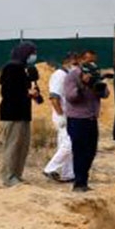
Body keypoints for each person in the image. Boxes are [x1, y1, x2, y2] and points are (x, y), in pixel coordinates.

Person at [63, 48, 108, 193]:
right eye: (88, 60)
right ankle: (79, 183)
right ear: (81, 60)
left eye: (94, 61)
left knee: (91, 151)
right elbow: (71, 97)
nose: (91, 63)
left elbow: (105, 94)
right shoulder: (72, 76)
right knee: (79, 151)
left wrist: (99, 85)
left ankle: (83, 180)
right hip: (77, 119)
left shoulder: (96, 74)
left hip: (91, 118)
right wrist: (83, 84)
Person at [0, 41, 41, 187]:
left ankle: (17, 175)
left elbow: (27, 90)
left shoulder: (24, 69)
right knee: (13, 146)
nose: (33, 56)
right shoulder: (12, 68)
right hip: (12, 113)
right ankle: (8, 176)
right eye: (32, 53)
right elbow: (8, 92)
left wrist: (34, 93)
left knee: (22, 147)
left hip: (23, 113)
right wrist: (27, 93)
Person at [43, 52, 75, 183]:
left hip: (68, 114)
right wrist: (61, 115)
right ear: (67, 62)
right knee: (69, 144)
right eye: (74, 63)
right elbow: (54, 98)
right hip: (62, 115)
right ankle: (50, 168)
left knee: (64, 144)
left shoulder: (67, 75)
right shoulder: (59, 75)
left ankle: (68, 174)